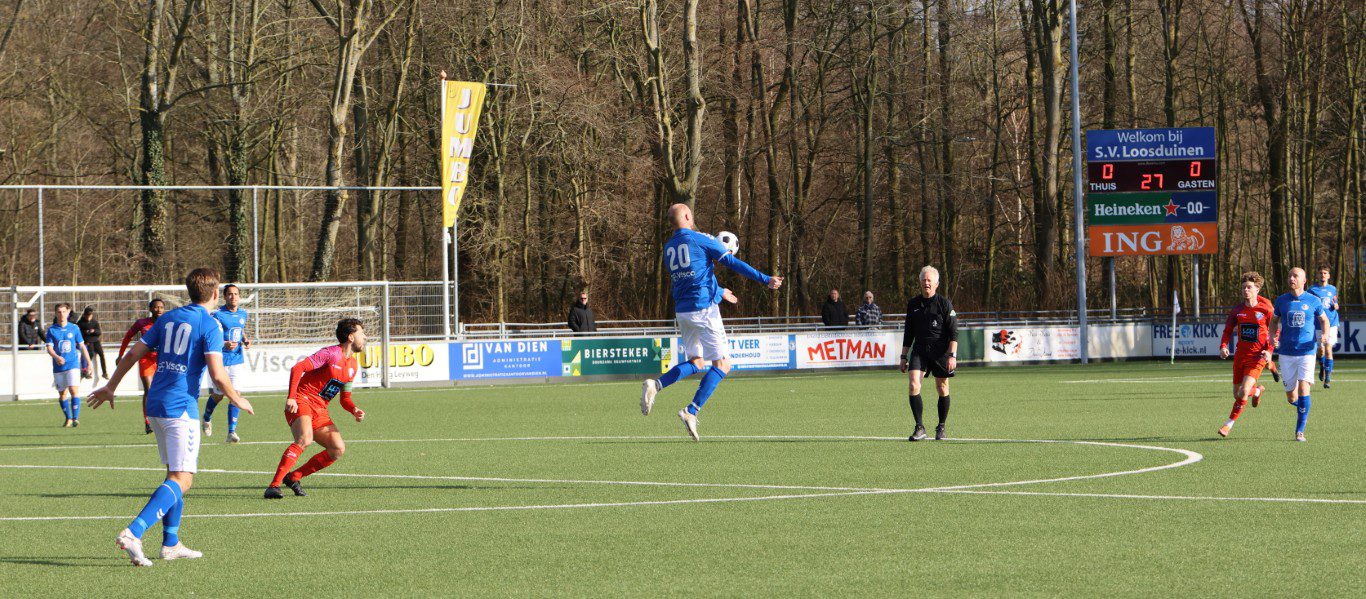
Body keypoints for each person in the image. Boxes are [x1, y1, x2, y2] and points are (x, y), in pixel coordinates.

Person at [86, 268, 253, 567]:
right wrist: (236, 397)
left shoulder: (168, 318)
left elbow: (134, 353)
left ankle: (171, 543)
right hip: (180, 408)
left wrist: (111, 386)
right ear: (216, 293)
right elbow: (217, 373)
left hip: (156, 404)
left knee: (174, 473)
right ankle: (134, 532)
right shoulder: (210, 324)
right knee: (183, 478)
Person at [639, 204, 782, 440]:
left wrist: (720, 290)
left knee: (696, 362)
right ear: (687, 216)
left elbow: (696, 275)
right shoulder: (700, 239)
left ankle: (656, 385)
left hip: (683, 311)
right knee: (723, 364)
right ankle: (691, 411)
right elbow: (732, 263)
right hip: (704, 310)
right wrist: (765, 278)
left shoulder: (668, 247)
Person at [264, 318, 367, 499]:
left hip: (320, 409)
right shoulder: (330, 353)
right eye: (362, 333)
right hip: (302, 399)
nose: (365, 337)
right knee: (305, 438)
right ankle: (274, 486)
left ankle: (294, 477)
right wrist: (291, 397)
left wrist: (354, 409)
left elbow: (345, 398)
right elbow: (298, 368)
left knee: (337, 449)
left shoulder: (353, 365)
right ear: (351, 337)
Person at [1270, 267, 1330, 442]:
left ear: (1304, 280)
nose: (1291, 278)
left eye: (1295, 276)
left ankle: (1300, 431)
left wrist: (1325, 334)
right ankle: (1304, 407)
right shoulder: (1281, 300)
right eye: (1290, 275)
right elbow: (1273, 322)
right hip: (1286, 353)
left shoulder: (1313, 300)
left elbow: (1324, 320)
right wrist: (1272, 336)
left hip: (1307, 351)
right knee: (1291, 397)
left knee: (1304, 388)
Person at [899, 266, 959, 441]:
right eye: (924, 280)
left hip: (941, 352)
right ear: (920, 282)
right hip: (919, 350)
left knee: (942, 388)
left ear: (936, 284)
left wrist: (952, 356)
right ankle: (919, 427)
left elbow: (954, 333)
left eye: (929, 280)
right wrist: (903, 356)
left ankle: (941, 427)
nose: (926, 283)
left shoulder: (945, 304)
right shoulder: (913, 304)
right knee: (913, 385)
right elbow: (908, 332)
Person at [1216, 272, 1275, 438]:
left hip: (1257, 357)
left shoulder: (1266, 308)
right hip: (1240, 356)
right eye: (1243, 287)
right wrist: (1223, 346)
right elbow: (1228, 330)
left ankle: (1228, 425)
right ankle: (1257, 392)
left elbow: (1274, 331)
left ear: (1257, 289)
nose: (1245, 290)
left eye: (1249, 287)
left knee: (1243, 391)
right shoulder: (1237, 310)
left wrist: (1269, 351)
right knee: (1237, 394)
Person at [204, 284, 250, 443]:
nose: (233, 297)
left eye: (236, 294)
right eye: (230, 294)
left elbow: (240, 330)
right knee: (218, 395)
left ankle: (231, 432)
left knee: (235, 394)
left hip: (237, 360)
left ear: (239, 296)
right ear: (224, 296)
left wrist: (245, 340)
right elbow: (209, 336)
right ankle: (207, 417)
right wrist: (224, 343)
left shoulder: (243, 313)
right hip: (220, 360)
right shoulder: (217, 315)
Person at [120, 299, 167, 434]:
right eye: (156, 307)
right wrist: (120, 355)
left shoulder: (167, 322)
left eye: (161, 307)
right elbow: (128, 337)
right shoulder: (142, 323)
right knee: (149, 390)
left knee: (163, 390)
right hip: (146, 359)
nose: (159, 309)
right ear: (150, 309)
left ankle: (163, 419)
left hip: (162, 359)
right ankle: (148, 421)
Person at [47, 303, 92, 427]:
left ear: (68, 312)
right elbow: (49, 348)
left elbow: (82, 346)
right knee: (62, 394)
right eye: (59, 312)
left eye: (63, 312)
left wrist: (89, 363)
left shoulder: (74, 328)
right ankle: (68, 418)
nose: (61, 314)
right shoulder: (51, 330)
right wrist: (57, 357)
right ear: (55, 313)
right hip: (58, 367)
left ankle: (75, 418)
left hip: (73, 365)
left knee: (73, 390)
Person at [1306, 266, 1340, 389]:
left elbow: (1335, 302)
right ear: (1317, 275)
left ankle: (1327, 378)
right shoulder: (1311, 290)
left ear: (1329, 275)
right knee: (1321, 350)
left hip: (1331, 323)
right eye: (1320, 273)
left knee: (1328, 348)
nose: (1323, 275)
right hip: (1317, 324)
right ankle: (1321, 364)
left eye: (1325, 273)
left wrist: (1336, 305)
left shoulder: (1333, 289)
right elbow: (1308, 305)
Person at [77, 307, 109, 380]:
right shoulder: (80, 323)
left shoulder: (95, 322)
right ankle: (86, 371)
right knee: (90, 354)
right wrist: (86, 332)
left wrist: (93, 331)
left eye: (90, 315)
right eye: (87, 315)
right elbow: (78, 333)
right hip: (87, 341)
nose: (89, 317)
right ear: (84, 315)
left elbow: (99, 332)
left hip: (96, 341)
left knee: (101, 354)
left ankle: (104, 372)